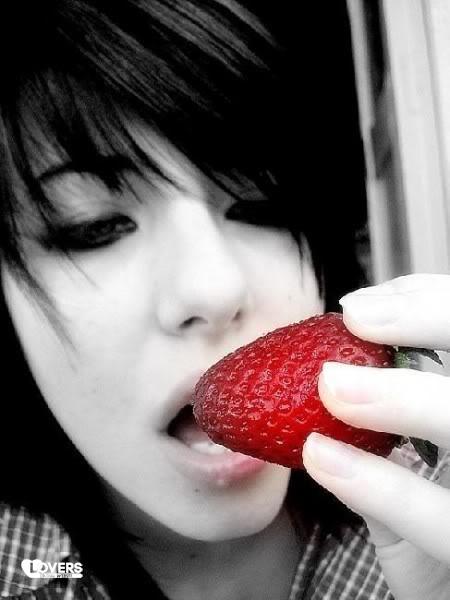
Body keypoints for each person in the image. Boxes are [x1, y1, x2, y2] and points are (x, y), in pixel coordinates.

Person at [0, 1, 449, 599]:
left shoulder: (434, 507)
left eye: (261, 205)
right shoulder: (23, 572)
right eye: (93, 226)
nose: (214, 287)